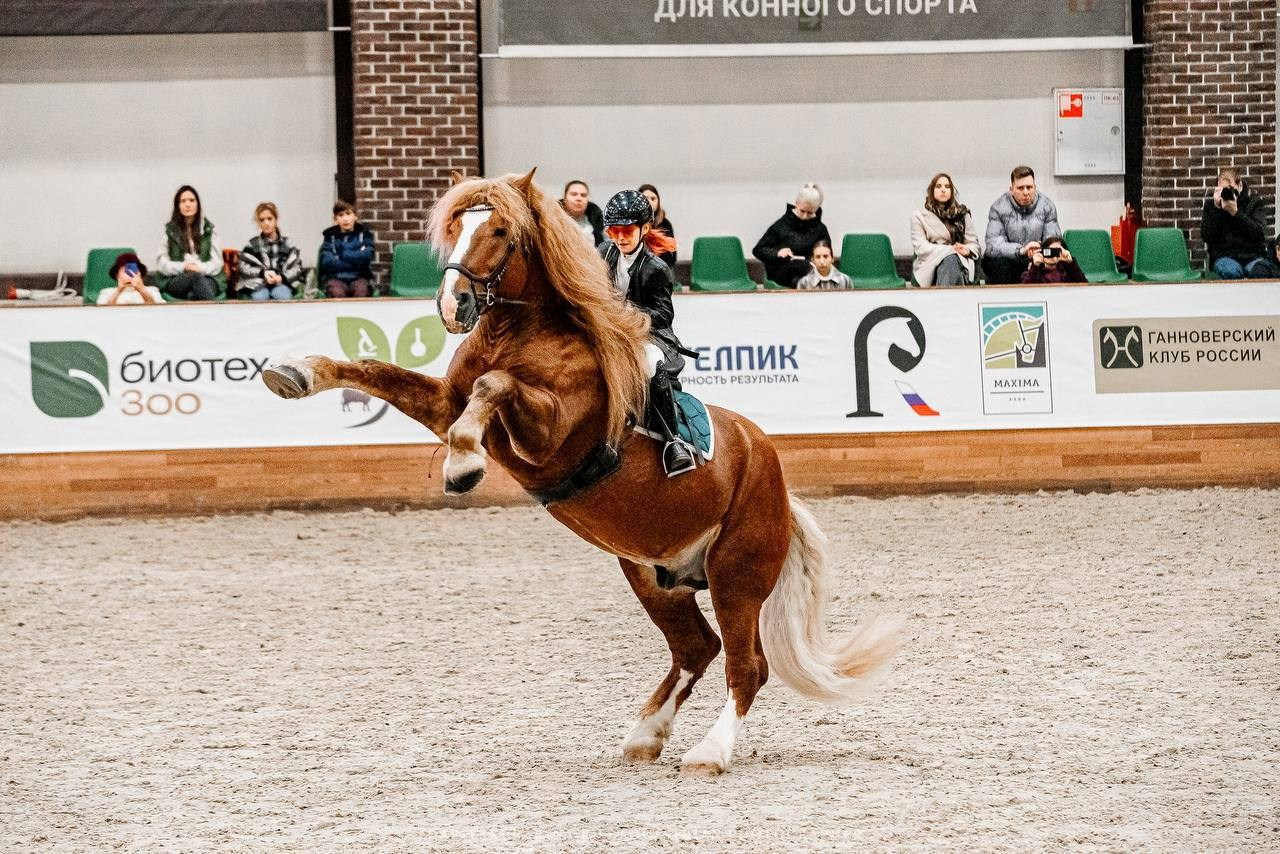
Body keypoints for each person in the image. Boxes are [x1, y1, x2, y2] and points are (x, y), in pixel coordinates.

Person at [597, 189, 694, 477]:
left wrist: (626, 314)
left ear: (645, 229)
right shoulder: (604, 253)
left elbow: (664, 316)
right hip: (611, 332)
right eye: (614, 230)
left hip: (649, 336)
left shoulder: (657, 268)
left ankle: (673, 442)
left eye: (627, 230)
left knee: (651, 362)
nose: (620, 237)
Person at [982, 166, 1060, 284]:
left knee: (1057, 262)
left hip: (1039, 258)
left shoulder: (1047, 206)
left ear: (1035, 187)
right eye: (1020, 188)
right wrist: (1021, 250)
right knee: (997, 264)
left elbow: (1054, 243)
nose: (1025, 192)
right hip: (1010, 260)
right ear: (1011, 189)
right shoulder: (998, 207)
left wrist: (1039, 251)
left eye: (1029, 187)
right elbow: (993, 246)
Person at [753, 182, 832, 289]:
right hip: (782, 270)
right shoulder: (781, 225)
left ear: (816, 210)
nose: (804, 216)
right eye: (802, 211)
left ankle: (806, 283)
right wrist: (777, 253)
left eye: (810, 213)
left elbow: (827, 253)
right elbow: (758, 250)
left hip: (812, 269)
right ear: (796, 204)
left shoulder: (820, 229)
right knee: (802, 269)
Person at [1201, 167, 1275, 279]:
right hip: (1224, 256)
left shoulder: (1254, 203)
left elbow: (1259, 234)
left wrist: (1235, 213)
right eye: (1222, 189)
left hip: (1253, 256)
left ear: (1239, 186)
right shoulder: (1212, 206)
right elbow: (1207, 236)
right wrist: (1217, 209)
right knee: (1232, 272)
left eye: (1230, 188)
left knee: (1260, 271)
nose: (1226, 193)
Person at [155, 184, 225, 300]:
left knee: (194, 293)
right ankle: (216, 314)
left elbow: (217, 264)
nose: (187, 204)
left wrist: (199, 268)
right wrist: (184, 267)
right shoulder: (170, 233)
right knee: (195, 278)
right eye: (183, 201)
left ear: (198, 204)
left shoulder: (209, 232)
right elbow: (162, 264)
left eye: (192, 200)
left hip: (208, 278)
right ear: (178, 206)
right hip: (177, 279)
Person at [911, 172, 981, 287]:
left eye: (947, 187)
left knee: (951, 262)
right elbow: (921, 248)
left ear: (952, 191)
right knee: (950, 261)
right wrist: (950, 250)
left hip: (961, 260)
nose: (943, 190)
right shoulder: (918, 216)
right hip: (929, 262)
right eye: (938, 186)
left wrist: (967, 250)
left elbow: (973, 244)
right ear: (931, 191)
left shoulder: (962, 214)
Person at [238, 202, 303, 300]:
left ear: (276, 220)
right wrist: (262, 273)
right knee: (260, 298)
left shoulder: (288, 243)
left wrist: (282, 277)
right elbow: (243, 267)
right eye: (262, 220)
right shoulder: (252, 244)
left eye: (269, 218)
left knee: (284, 297)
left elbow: (297, 267)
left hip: (281, 284)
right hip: (258, 284)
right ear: (258, 223)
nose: (266, 223)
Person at [319, 199, 376, 298]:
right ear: (335, 219)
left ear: (355, 216)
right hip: (336, 278)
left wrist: (342, 255)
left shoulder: (365, 235)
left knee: (361, 292)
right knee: (337, 293)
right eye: (341, 215)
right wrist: (356, 257)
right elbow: (327, 262)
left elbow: (366, 257)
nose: (345, 219)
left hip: (359, 277)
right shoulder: (329, 238)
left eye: (348, 214)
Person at [96, 252, 164, 305]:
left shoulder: (152, 291)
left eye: (134, 270)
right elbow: (102, 313)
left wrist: (142, 291)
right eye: (125, 271)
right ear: (117, 275)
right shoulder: (107, 293)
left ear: (140, 274)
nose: (130, 275)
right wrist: (118, 292)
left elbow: (159, 311)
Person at [1019, 235, 1087, 285]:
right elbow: (1026, 291)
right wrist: (1035, 266)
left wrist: (1071, 263)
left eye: (1055, 251)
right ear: (1042, 251)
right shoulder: (1033, 272)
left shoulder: (1067, 272)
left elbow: (1084, 285)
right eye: (1048, 251)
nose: (1052, 256)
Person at [638, 183, 677, 268]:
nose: (649, 202)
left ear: (658, 201)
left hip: (660, 269)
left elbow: (672, 256)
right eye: (645, 198)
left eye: (653, 199)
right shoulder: (633, 224)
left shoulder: (665, 224)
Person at [560, 179, 604, 248]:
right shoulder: (552, 222)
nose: (579, 198)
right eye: (574, 194)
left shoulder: (599, 223)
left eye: (583, 195)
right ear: (565, 198)